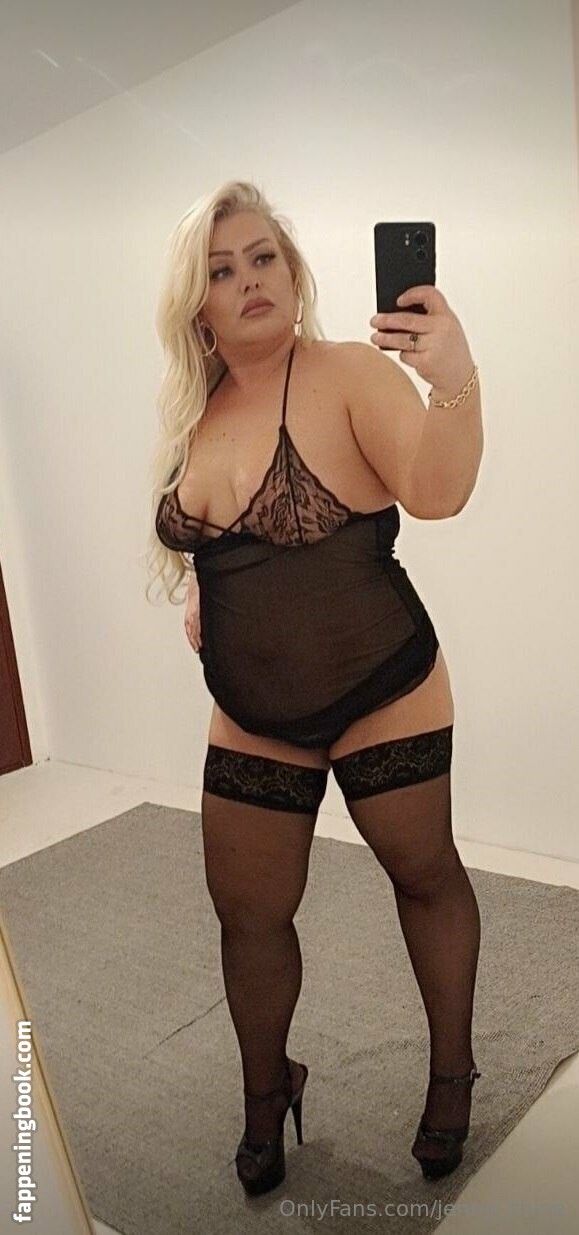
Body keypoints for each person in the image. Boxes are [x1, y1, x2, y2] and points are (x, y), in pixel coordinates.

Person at [149, 181, 484, 1195]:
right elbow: (218, 535)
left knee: (423, 874)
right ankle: (267, 1092)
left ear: (292, 273)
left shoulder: (344, 373)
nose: (248, 280)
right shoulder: (192, 413)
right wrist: (203, 588)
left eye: (263, 257)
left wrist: (454, 379)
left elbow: (435, 492)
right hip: (252, 707)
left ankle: (453, 1072)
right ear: (196, 304)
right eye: (221, 269)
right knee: (247, 916)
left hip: (382, 678)